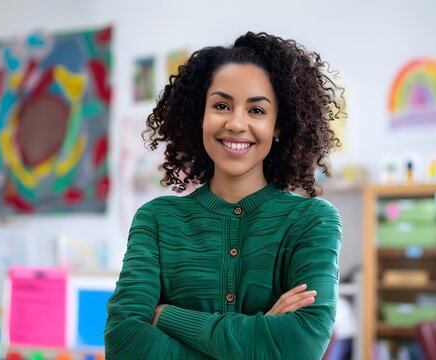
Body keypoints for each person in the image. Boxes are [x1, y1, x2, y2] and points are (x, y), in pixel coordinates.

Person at [105, 31, 344, 359]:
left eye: (257, 111)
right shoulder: (156, 220)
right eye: (221, 105)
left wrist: (168, 317)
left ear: (277, 125)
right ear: (200, 116)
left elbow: (300, 345)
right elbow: (125, 344)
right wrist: (258, 342)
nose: (236, 123)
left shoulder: (312, 221)